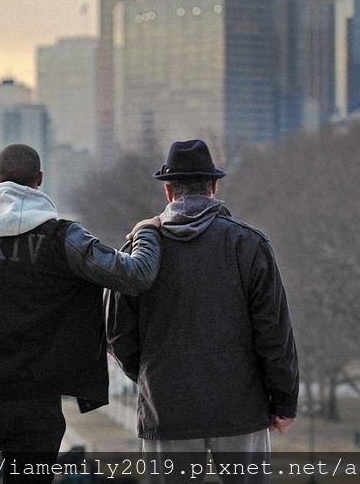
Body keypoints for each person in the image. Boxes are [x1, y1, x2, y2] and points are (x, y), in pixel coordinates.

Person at [0, 143, 162, 483]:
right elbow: (136, 275)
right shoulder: (64, 238)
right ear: (39, 180)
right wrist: (148, 231)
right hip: (36, 398)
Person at [107, 139, 299, 483]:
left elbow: (118, 333)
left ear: (168, 192)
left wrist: (153, 375)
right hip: (241, 406)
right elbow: (274, 333)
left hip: (167, 409)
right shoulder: (249, 245)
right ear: (213, 187)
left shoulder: (137, 251)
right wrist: (284, 401)